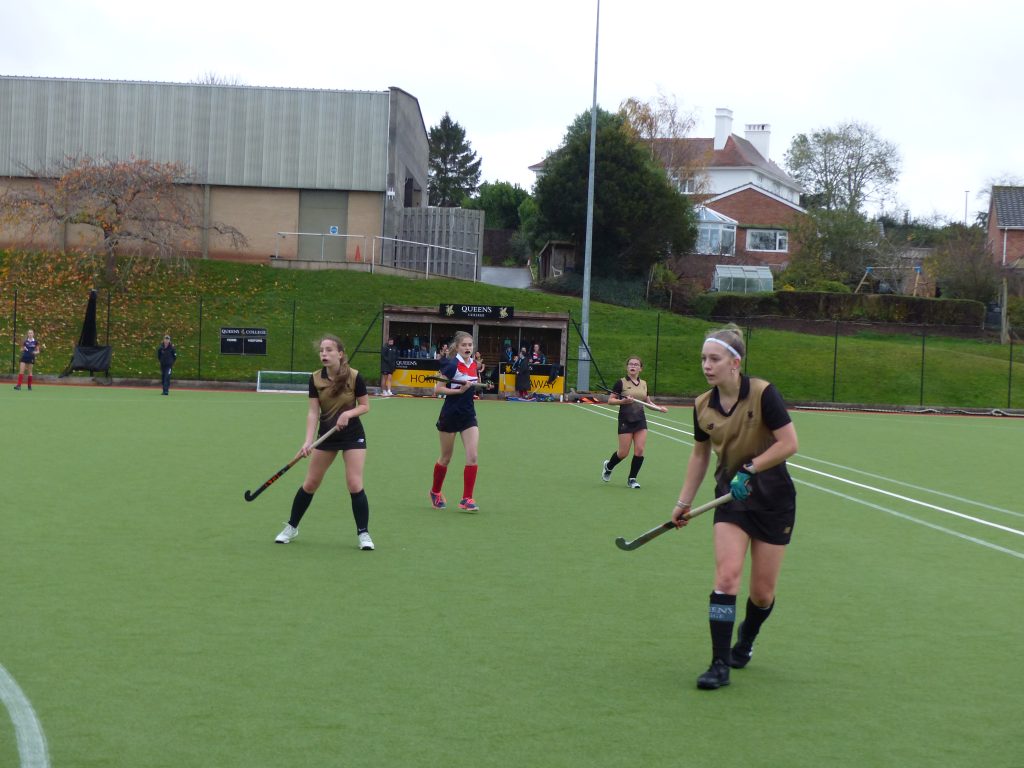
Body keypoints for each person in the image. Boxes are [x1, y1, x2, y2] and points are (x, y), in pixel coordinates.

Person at [670, 325, 799, 691]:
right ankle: (719, 663)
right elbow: (699, 455)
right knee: (726, 578)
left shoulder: (763, 394)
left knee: (762, 593)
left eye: (714, 359)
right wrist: (683, 502)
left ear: (734, 362)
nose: (706, 366)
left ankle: (746, 638)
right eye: (703, 359)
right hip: (732, 501)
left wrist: (751, 469)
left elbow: (789, 443)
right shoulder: (701, 405)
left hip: (774, 501)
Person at [275, 334, 375, 550]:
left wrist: (348, 414)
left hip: (352, 435)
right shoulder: (315, 378)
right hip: (326, 436)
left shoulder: (355, 376)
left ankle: (363, 533)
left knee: (354, 483)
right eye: (322, 350)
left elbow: (365, 406)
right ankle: (291, 527)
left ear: (340, 354)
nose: (324, 354)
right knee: (310, 483)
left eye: (329, 350)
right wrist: (307, 441)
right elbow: (313, 412)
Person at [429, 330, 481, 512]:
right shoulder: (451, 365)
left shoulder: (474, 364)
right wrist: (458, 391)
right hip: (450, 415)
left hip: (468, 415)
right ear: (457, 347)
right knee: (446, 458)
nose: (468, 348)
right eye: (464, 345)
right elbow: (438, 389)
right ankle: (435, 492)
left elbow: (472, 385)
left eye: (470, 345)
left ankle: (467, 498)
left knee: (473, 456)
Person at [601, 356, 667, 488]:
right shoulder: (620, 383)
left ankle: (632, 479)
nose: (633, 366)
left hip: (640, 420)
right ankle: (608, 466)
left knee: (640, 450)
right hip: (625, 420)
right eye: (631, 364)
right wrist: (623, 401)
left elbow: (647, 402)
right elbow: (610, 401)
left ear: (640, 368)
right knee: (623, 453)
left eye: (636, 364)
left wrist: (659, 408)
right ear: (627, 367)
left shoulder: (644, 384)